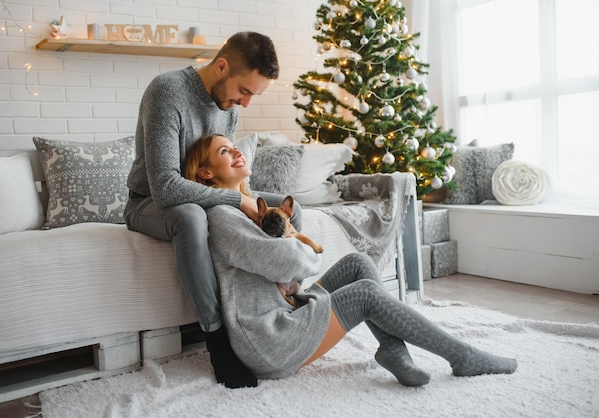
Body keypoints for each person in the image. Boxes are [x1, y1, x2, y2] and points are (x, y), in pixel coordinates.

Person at [184, 133, 518, 386]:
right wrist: (298, 247)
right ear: (206, 174)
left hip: (287, 310)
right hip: (270, 340)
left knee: (358, 263)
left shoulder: (248, 208)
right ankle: (463, 356)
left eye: (234, 145)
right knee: (364, 295)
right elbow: (289, 263)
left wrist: (295, 250)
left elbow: (293, 266)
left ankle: (392, 349)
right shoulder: (223, 215)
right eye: (224, 151)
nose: (237, 151)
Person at [124, 32, 300, 389]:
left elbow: (225, 179)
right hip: (148, 201)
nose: (246, 104)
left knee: (288, 207)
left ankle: (282, 305)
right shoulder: (167, 91)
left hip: (208, 192)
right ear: (221, 66)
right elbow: (166, 187)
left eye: (254, 95)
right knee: (191, 216)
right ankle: (218, 339)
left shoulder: (228, 107)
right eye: (245, 91)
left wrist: (247, 198)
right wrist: (239, 201)